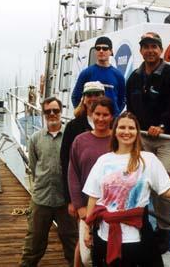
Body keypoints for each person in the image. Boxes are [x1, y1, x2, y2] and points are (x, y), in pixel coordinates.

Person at [82, 112, 170, 266]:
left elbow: (166, 190)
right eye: (122, 127)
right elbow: (93, 197)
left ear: (137, 132)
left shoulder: (148, 159)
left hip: (137, 236)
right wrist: (87, 229)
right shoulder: (103, 161)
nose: (126, 132)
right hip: (105, 235)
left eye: (131, 128)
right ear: (115, 131)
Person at [126, 32, 170, 253]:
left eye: (154, 46)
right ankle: (143, 226)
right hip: (141, 138)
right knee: (139, 182)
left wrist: (161, 124)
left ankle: (164, 230)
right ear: (141, 50)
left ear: (160, 49)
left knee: (163, 185)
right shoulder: (133, 77)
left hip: (166, 139)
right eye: (145, 46)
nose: (150, 50)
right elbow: (130, 107)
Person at [20, 97, 78, 267]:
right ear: (43, 114)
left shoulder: (71, 136)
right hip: (41, 199)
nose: (52, 114)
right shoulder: (35, 139)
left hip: (65, 201)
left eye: (56, 110)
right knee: (33, 243)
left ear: (61, 111)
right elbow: (33, 164)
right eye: (48, 111)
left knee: (72, 242)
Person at [68, 97, 114, 266]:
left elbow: (140, 160)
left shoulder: (118, 139)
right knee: (86, 254)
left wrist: (168, 174)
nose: (101, 119)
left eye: (105, 115)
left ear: (112, 117)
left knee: (104, 253)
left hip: (112, 208)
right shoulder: (80, 140)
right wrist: (79, 206)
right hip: (87, 207)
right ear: (91, 114)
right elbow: (73, 175)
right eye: (97, 114)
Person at [71, 36, 126, 116]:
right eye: (98, 48)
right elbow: (75, 97)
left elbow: (122, 100)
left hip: (110, 122)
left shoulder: (118, 76)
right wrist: (84, 114)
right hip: (90, 119)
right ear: (95, 51)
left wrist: (114, 114)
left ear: (111, 51)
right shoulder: (86, 73)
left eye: (105, 48)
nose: (101, 51)